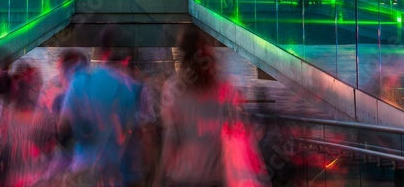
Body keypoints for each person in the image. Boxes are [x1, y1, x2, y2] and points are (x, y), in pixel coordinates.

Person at [155, 29, 266, 187]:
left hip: (182, 177)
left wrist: (159, 180)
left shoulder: (173, 89)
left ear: (183, 56)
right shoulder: (226, 87)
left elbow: (171, 139)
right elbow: (242, 133)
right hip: (215, 178)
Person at [58, 26, 141, 185]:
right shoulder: (127, 90)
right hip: (113, 176)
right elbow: (130, 137)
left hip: (82, 173)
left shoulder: (79, 81)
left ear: (102, 51)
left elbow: (63, 128)